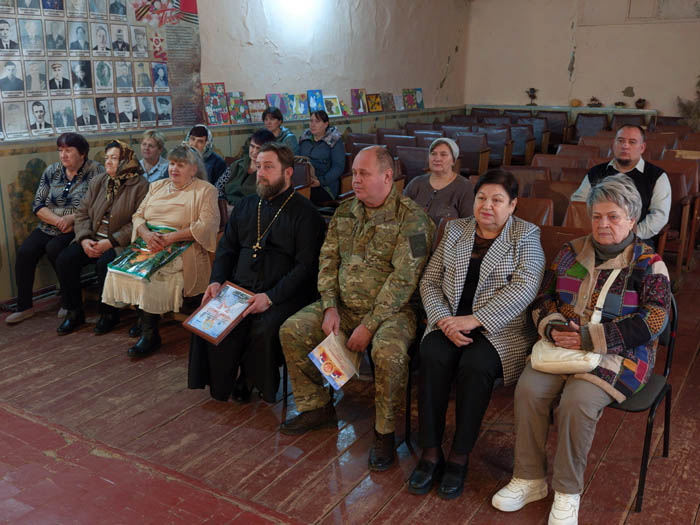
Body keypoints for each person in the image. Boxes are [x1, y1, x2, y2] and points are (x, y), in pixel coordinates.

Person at [491, 174, 672, 525]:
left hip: (622, 354)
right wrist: (554, 327)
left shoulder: (649, 264)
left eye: (613, 217)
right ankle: (529, 479)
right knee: (529, 389)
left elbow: (654, 320)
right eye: (597, 216)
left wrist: (591, 338)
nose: (603, 224)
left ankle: (567, 491)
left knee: (577, 401)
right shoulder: (570, 252)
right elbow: (543, 299)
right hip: (563, 347)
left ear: (632, 219)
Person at [279, 146, 434, 470]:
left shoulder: (414, 219)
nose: (356, 180)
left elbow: (405, 280)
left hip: (393, 313)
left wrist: (370, 324)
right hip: (343, 307)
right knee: (292, 329)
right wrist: (329, 307)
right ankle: (316, 406)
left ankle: (384, 432)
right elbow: (327, 260)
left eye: (364, 173)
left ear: (387, 176)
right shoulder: (346, 212)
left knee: (388, 353)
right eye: (354, 173)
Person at [409, 169, 545, 499]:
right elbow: (430, 280)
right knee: (431, 354)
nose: (487, 206)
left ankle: (459, 455)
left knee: (475, 365)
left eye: (497, 200)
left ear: (512, 205)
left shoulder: (526, 235)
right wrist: (444, 320)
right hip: (449, 322)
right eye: (481, 198)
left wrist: (474, 320)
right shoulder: (456, 229)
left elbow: (525, 288)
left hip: (500, 329)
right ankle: (431, 451)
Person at [189, 143, 326, 403]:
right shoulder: (246, 205)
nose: (260, 173)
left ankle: (251, 379)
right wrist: (216, 281)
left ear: (288, 172)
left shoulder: (306, 214)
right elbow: (227, 249)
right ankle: (222, 381)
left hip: (284, 293)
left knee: (263, 327)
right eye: (259, 166)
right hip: (240, 286)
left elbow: (306, 268)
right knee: (208, 316)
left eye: (269, 167)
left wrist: (270, 297)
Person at [102, 144, 219, 357]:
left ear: (194, 169)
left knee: (149, 275)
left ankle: (150, 335)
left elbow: (206, 226)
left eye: (181, 165)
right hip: (150, 243)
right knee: (119, 268)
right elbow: (138, 216)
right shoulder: (157, 186)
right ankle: (143, 320)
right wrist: (147, 234)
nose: (174, 169)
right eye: (172, 163)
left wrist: (170, 238)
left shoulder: (205, 190)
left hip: (182, 247)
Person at [6, 133, 104, 325]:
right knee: (25, 252)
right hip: (50, 224)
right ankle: (24, 307)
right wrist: (58, 220)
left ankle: (69, 301)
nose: (63, 155)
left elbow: (97, 205)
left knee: (55, 248)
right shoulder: (52, 170)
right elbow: (38, 205)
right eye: (60, 150)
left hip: (79, 225)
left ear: (82, 153)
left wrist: (71, 219)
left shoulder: (95, 170)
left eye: (68, 150)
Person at [55, 141, 148, 335]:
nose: (108, 162)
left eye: (114, 158)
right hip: (92, 238)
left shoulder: (140, 185)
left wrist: (111, 242)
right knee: (65, 259)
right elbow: (82, 213)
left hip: (121, 243)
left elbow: (138, 221)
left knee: (104, 264)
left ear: (126, 161)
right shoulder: (99, 181)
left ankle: (109, 314)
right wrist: (84, 239)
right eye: (106, 158)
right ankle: (74, 312)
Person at [570, 124, 670, 243]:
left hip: (636, 240)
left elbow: (659, 215)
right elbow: (578, 204)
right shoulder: (596, 172)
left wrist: (632, 235)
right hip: (597, 237)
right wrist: (596, 231)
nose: (625, 146)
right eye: (620, 141)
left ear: (642, 147)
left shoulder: (657, 176)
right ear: (614, 144)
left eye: (632, 142)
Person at [403, 137, 474, 227]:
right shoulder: (416, 183)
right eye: (433, 154)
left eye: (443, 154)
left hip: (446, 236)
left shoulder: (465, 187)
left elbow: (469, 225)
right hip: (413, 234)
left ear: (453, 161)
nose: (437, 158)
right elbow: (400, 213)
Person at [215, 128, 275, 205]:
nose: (254, 152)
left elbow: (266, 201)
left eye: (259, 148)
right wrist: (223, 204)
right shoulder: (236, 165)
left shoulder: (270, 172)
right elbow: (218, 187)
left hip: (251, 210)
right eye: (252, 146)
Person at [297, 110, 346, 204]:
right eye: (311, 121)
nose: (313, 124)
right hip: (304, 182)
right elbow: (298, 160)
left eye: (317, 121)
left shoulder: (334, 140)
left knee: (301, 199)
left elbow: (338, 167)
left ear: (326, 124)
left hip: (325, 186)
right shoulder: (305, 138)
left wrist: (320, 181)